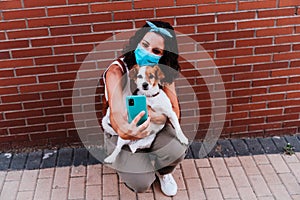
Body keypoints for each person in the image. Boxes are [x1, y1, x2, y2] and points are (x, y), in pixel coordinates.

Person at [102, 20, 188, 196]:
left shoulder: (163, 71)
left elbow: (175, 112)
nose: (148, 53)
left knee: (177, 148)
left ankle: (164, 172)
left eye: (156, 51)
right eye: (145, 45)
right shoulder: (116, 71)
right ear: (137, 43)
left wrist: (158, 118)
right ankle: (134, 162)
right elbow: (117, 119)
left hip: (154, 129)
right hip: (121, 133)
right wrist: (129, 133)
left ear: (164, 56)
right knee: (140, 183)